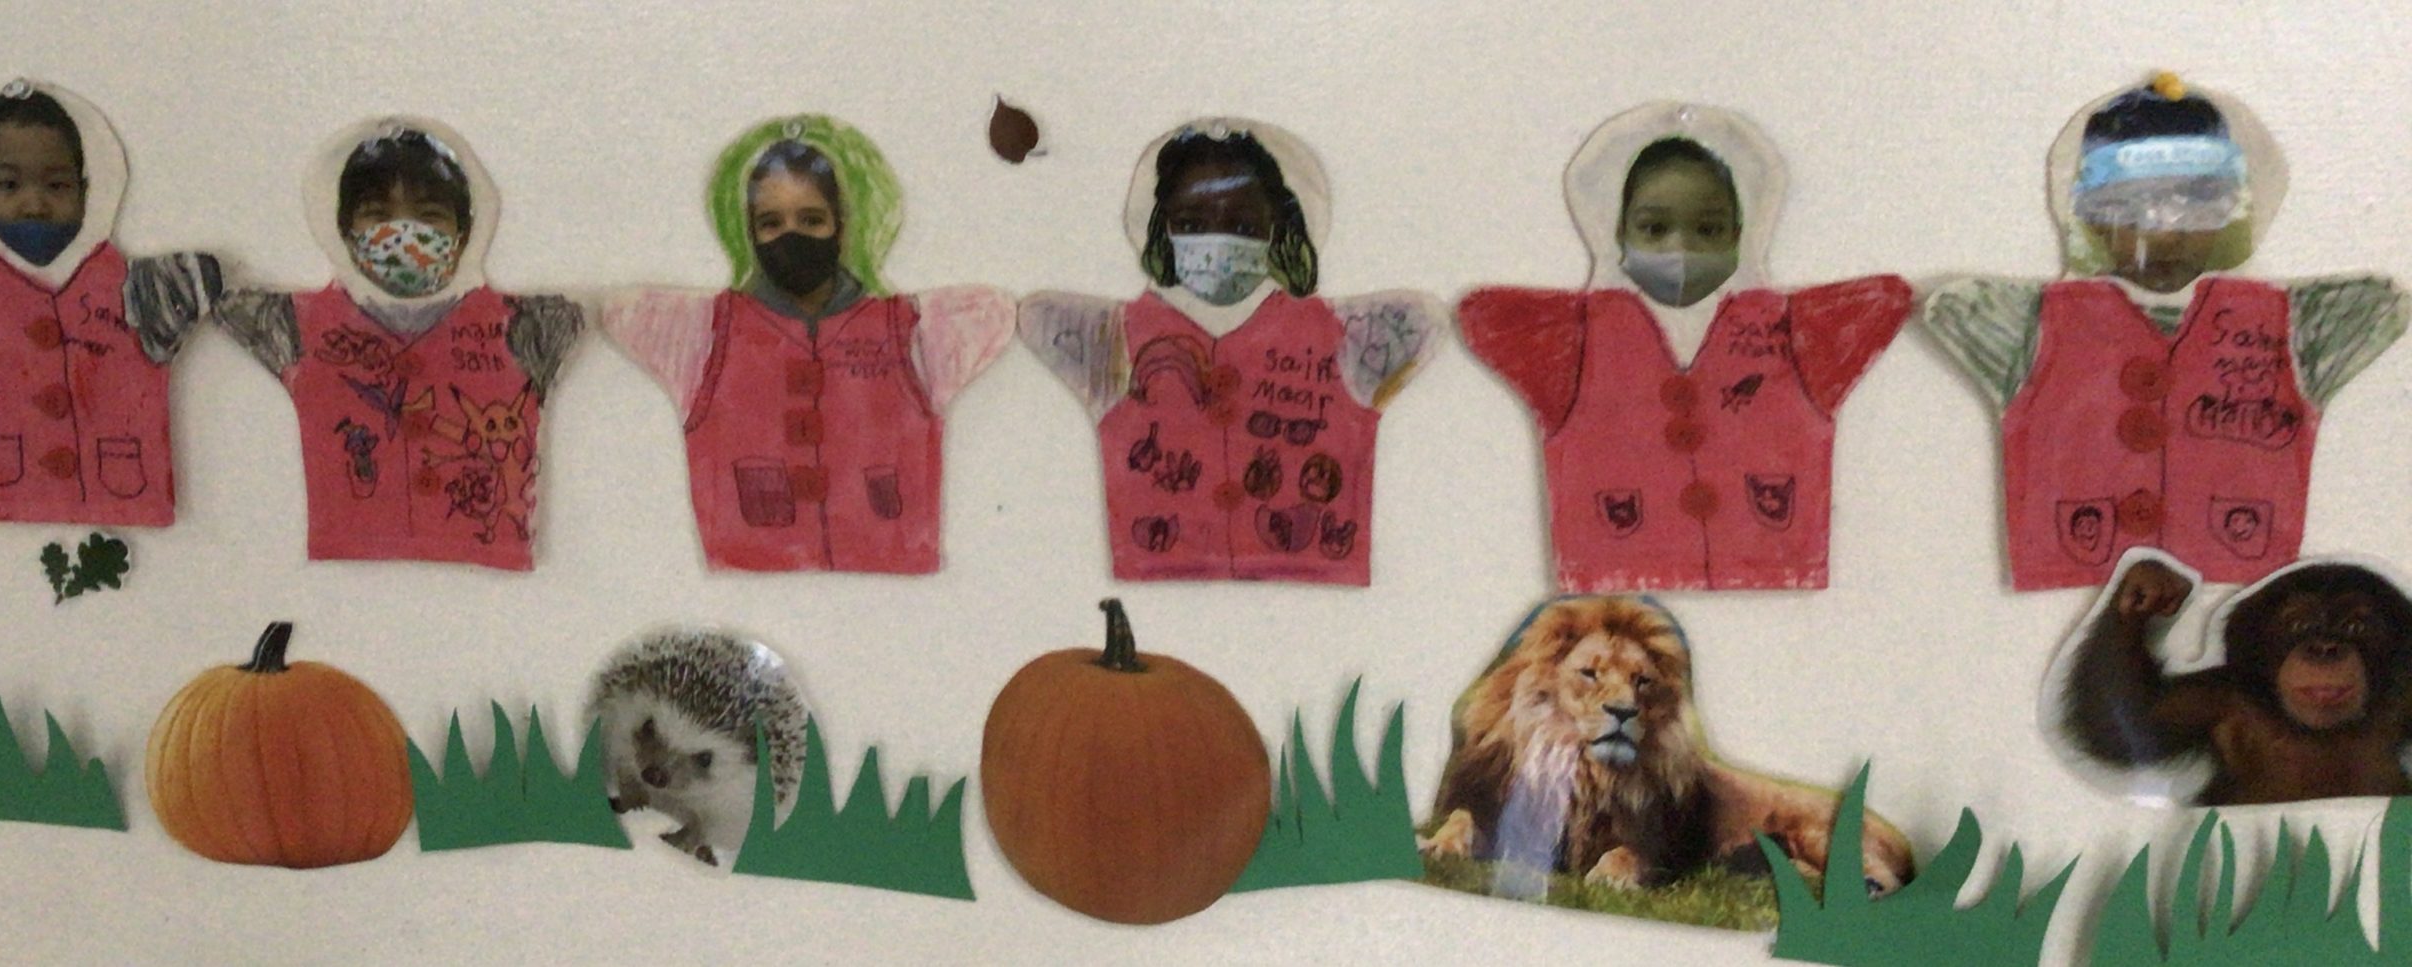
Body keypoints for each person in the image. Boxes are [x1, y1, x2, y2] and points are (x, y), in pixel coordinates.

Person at [1924, 73, 2405, 590]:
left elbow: (2385, 302)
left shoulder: (2301, 322)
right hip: (2065, 578)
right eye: (2130, 209)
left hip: (2238, 588)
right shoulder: (2020, 321)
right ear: (2090, 216)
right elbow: (1946, 305)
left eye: (2197, 206)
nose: (2166, 234)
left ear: (2231, 211)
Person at [1460, 102, 1911, 592]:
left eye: (1708, 230)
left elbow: (1890, 297)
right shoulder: (1570, 337)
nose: (1681, 248)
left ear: (1742, 232)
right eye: (1654, 229)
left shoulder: (1798, 330)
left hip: (1773, 568)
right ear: (1617, 231)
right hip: (1614, 573)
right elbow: (1479, 313)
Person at [1020, 118, 1441, 586]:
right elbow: (1036, 316)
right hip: (1162, 576)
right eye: (1190, 224)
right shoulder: (1110, 338)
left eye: (1242, 225)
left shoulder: (1348, 333)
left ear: (1278, 229)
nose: (1216, 241)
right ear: (1160, 227)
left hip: (1313, 573)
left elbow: (1425, 321)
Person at [602, 115, 1011, 574]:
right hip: (746, 583)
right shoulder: (704, 331)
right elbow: (620, 312)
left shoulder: (915, 329)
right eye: (770, 223)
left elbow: (995, 310)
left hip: (895, 584)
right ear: (747, 232)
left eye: (811, 219)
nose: (790, 236)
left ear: (842, 224)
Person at [214, 119, 583, 570]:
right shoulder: (293, 325)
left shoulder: (531, 327)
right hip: (346, 574)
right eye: (377, 214)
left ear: (464, 232)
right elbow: (216, 295)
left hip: (489, 560)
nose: (403, 233)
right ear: (345, 231)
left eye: (429, 215)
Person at [0, 80, 223, 527]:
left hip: (128, 508)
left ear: (86, 192)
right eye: (9, 184)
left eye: (57, 185)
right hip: (0, 519)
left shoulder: (147, 289)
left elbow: (210, 276)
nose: (34, 204)